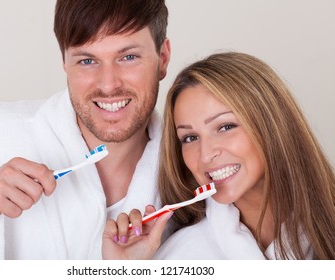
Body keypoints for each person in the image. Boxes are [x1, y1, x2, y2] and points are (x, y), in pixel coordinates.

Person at [0, 0, 171, 259]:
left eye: (128, 57)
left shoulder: (192, 173)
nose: (108, 85)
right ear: (64, 61)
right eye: (87, 61)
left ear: (162, 59)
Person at [102, 52, 335, 260]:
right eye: (190, 138)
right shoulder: (181, 257)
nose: (205, 155)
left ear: (271, 126)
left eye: (225, 127)